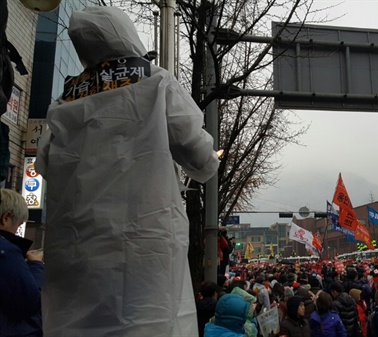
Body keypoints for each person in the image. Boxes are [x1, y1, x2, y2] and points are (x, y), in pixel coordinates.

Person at [35, 6, 219, 336]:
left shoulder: (63, 101)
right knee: (147, 323)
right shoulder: (155, 79)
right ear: (125, 34)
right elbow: (199, 154)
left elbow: (45, 163)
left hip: (74, 251)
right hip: (144, 242)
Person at [0, 189, 44, 337]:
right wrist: (36, 265)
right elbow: (30, 302)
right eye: (18, 225)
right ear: (6, 218)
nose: (17, 230)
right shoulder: (6, 251)